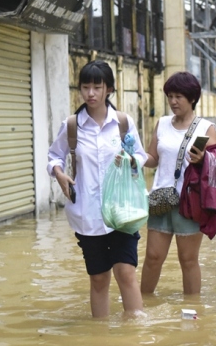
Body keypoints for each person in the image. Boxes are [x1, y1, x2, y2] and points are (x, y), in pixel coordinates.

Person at [47, 61, 147, 318]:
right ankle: (100, 334)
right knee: (99, 278)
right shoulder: (71, 126)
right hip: (87, 214)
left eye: (97, 87)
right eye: (85, 87)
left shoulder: (123, 123)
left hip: (122, 212)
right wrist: (59, 174)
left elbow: (140, 156)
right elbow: (54, 157)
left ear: (109, 89)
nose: (90, 93)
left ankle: (136, 334)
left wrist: (129, 160)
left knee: (126, 272)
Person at [140, 72, 216, 295]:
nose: (173, 101)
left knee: (188, 259)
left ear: (192, 98)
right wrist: (133, 157)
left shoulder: (205, 128)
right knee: (153, 258)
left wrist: (204, 159)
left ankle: (193, 310)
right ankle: (142, 303)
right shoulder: (163, 124)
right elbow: (153, 158)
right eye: (170, 96)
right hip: (160, 197)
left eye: (178, 97)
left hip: (190, 201)